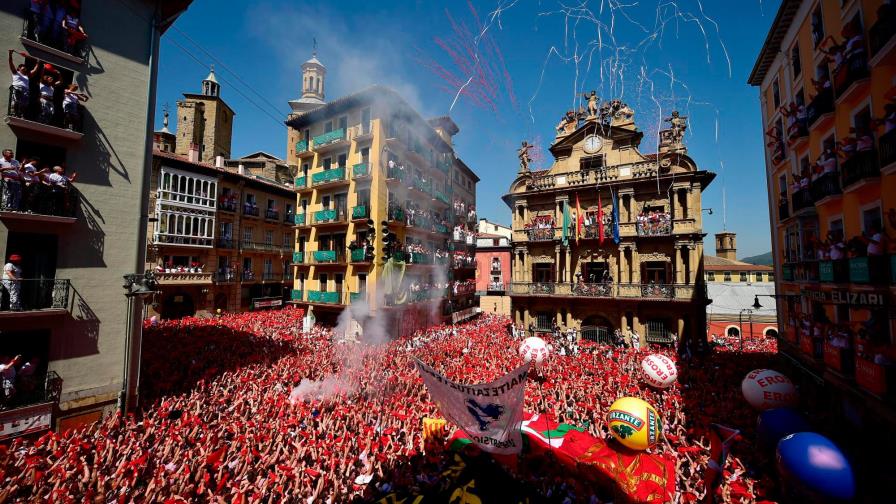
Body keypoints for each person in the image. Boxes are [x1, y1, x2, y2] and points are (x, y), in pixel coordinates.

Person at [8, 50, 40, 118]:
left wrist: (37, 63)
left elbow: (35, 70)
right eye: (22, 66)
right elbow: (11, 63)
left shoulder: (27, 75)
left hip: (26, 91)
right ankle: (13, 114)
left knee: (24, 104)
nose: (25, 67)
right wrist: (10, 54)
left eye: (25, 66)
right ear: (19, 68)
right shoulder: (15, 73)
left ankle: (21, 115)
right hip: (18, 88)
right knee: (16, 101)